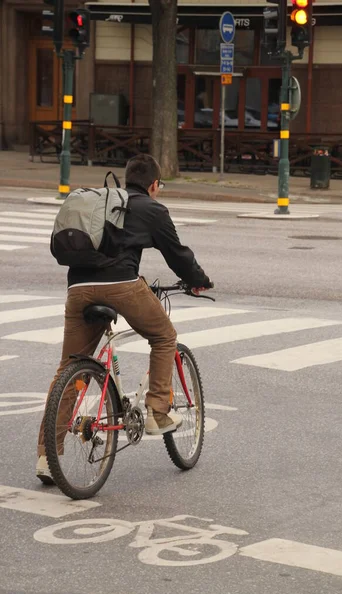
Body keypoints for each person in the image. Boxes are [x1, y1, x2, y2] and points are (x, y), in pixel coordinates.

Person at [36, 153, 212, 484]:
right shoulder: (152, 209)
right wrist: (198, 279)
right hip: (120, 286)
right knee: (164, 336)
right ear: (154, 184)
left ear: (126, 178)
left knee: (70, 368)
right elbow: (178, 256)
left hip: (78, 288)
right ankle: (157, 412)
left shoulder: (104, 201)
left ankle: (47, 457)